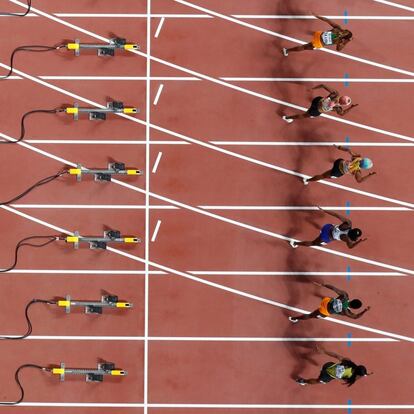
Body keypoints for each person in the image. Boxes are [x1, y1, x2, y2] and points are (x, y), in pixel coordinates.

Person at [288, 281, 370, 323]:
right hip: (324, 311)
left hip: (326, 301)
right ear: (353, 308)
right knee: (310, 316)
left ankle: (320, 296)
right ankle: (294, 318)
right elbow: (355, 317)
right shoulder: (346, 311)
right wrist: (365, 311)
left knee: (332, 299)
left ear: (352, 300)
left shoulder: (345, 296)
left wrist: (323, 285)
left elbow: (334, 288)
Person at [289, 206, 366, 249]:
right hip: (325, 237)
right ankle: (295, 243)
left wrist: (324, 210)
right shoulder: (347, 239)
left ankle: (321, 232)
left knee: (331, 236)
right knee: (313, 243)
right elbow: (351, 247)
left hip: (327, 227)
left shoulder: (348, 223)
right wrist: (359, 242)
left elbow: (336, 214)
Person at [282, 13, 353, 56]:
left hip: (318, 34)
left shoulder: (338, 28)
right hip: (318, 43)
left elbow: (327, 20)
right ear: (345, 38)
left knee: (320, 33)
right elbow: (338, 49)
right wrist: (347, 42)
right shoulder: (340, 41)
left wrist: (317, 16)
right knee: (304, 47)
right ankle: (287, 51)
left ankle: (310, 33)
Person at [296, 347, 373, 387]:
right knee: (318, 381)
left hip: (328, 365)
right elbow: (343, 378)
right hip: (327, 375)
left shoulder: (349, 362)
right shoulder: (350, 377)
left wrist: (324, 351)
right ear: (358, 374)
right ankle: (303, 381)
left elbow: (336, 356)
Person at [282, 84, 358, 123]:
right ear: (343, 105)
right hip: (316, 110)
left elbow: (323, 85)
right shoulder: (338, 108)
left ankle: (288, 118)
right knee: (305, 115)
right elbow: (342, 114)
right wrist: (351, 107)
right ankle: (287, 118)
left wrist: (312, 89)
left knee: (317, 102)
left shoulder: (335, 94)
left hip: (317, 100)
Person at [303, 145, 376, 185]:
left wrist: (338, 147)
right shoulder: (357, 171)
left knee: (339, 162)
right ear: (364, 168)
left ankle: (333, 162)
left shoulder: (358, 157)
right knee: (322, 176)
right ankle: (307, 180)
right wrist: (370, 175)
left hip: (339, 162)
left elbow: (349, 150)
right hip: (338, 171)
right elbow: (360, 180)